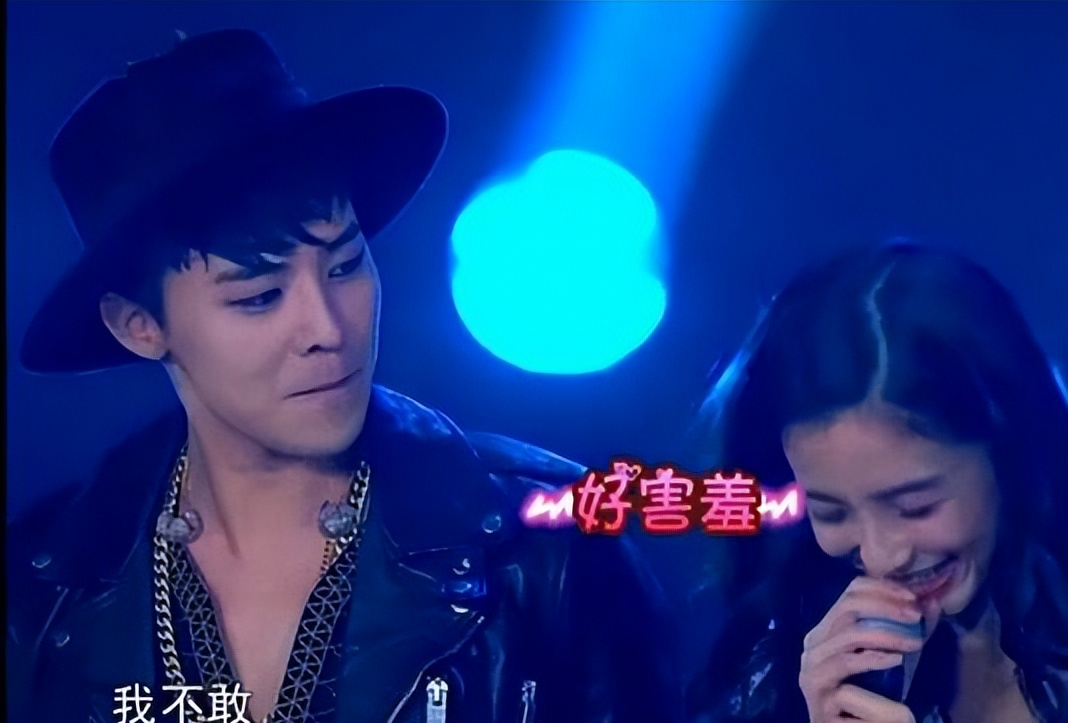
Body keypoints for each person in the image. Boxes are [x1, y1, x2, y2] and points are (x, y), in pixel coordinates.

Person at [6, 29, 683, 723]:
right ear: (138, 325)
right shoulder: (42, 591)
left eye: (345, 265)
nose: (327, 329)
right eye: (260, 296)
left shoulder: (546, 545)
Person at [685, 242, 1068, 722]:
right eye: (830, 513)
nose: (881, 558)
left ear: (1008, 454)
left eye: (915, 507)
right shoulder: (779, 661)